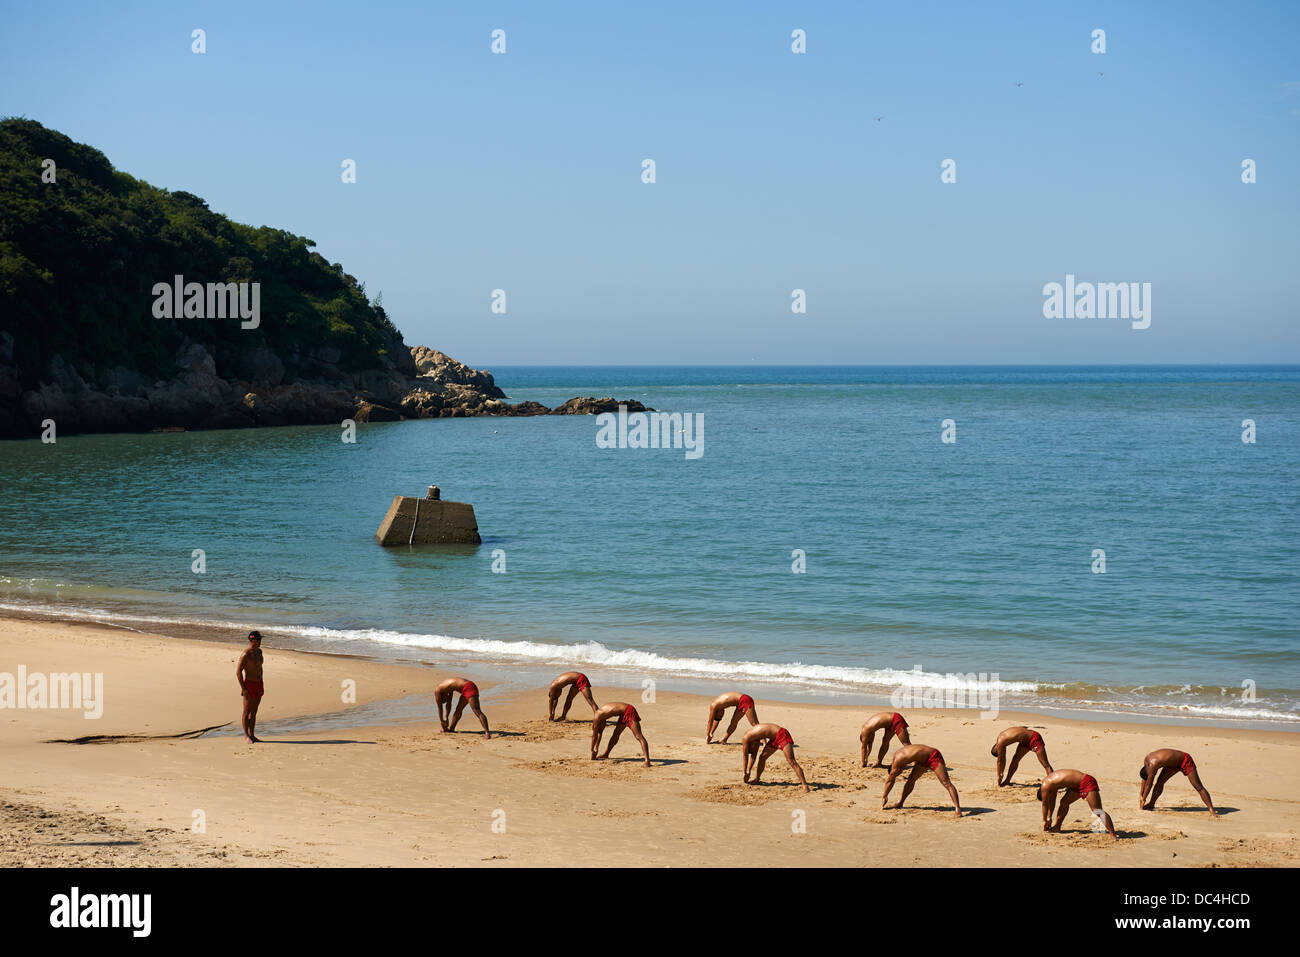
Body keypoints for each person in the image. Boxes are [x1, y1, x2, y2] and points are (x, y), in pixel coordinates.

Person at [880, 743, 962, 818]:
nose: (900, 772)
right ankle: (900, 803)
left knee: (946, 783)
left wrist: (884, 796)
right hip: (922, 760)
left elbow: (890, 780)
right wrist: (885, 795)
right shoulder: (897, 760)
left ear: (894, 769)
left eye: (898, 772)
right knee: (911, 780)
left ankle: (958, 809)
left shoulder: (898, 761)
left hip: (933, 755)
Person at [1037, 769, 1118, 840]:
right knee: (1064, 802)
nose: (1048, 798)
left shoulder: (1045, 786)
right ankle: (1057, 827)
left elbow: (1045, 804)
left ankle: (1113, 834)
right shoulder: (1050, 786)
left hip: (1086, 782)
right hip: (1076, 785)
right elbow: (1051, 802)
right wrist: (1049, 817)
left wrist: (1044, 820)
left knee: (1097, 810)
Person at [1139, 748, 1218, 816]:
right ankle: (1151, 804)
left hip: (1185, 760)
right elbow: (1144, 780)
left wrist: (1144, 799)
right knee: (1160, 782)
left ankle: (1211, 810)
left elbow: (1148, 785)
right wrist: (1141, 795)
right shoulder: (1146, 761)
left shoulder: (1152, 765)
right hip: (1171, 764)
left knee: (1198, 786)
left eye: (1150, 776)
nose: (1150, 777)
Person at [741, 723, 809, 792]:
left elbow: (745, 756)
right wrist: (748, 771)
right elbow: (754, 755)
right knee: (762, 757)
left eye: (751, 749)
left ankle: (805, 785)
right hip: (774, 739)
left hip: (782, 734)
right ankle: (757, 780)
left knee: (791, 761)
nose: (754, 748)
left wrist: (744, 772)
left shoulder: (746, 738)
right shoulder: (754, 739)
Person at [591, 702, 650, 766]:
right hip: (623, 713)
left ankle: (647, 761)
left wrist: (592, 750)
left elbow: (594, 736)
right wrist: (596, 749)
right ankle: (606, 754)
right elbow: (599, 733)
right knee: (616, 734)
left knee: (638, 736)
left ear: (594, 726)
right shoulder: (601, 716)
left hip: (629, 711)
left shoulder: (597, 718)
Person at [235, 630, 265, 744]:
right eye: (258, 639)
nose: (260, 641)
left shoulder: (260, 652)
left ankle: (252, 735)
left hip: (259, 683)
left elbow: (260, 668)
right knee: (246, 711)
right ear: (252, 640)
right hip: (249, 684)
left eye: (260, 639)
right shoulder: (246, 654)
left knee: (254, 711)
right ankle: (246, 736)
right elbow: (238, 672)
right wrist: (243, 688)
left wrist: (261, 680)